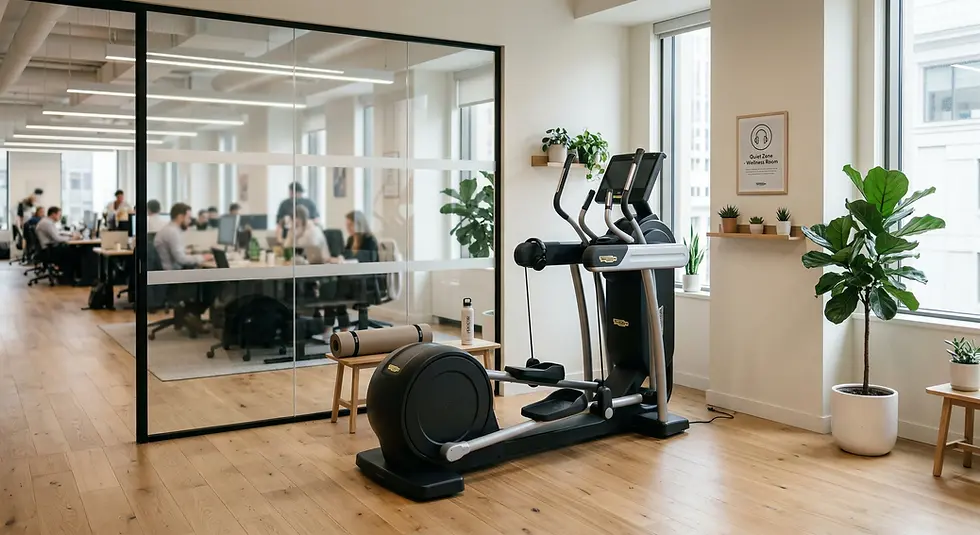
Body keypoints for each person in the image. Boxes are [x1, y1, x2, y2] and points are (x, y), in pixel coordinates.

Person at [154, 203, 212, 270]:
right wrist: (203, 257)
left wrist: (190, 253)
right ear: (180, 217)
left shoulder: (170, 229)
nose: (190, 221)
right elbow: (181, 259)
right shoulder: (172, 232)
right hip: (172, 273)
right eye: (188, 218)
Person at [36, 207, 81, 283]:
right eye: (59, 215)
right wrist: (71, 239)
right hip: (49, 250)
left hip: (48, 248)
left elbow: (56, 234)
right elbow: (57, 238)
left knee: (72, 249)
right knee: (76, 251)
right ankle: (69, 278)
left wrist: (69, 236)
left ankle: (65, 276)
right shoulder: (47, 223)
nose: (60, 217)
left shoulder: (46, 221)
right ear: (53, 214)